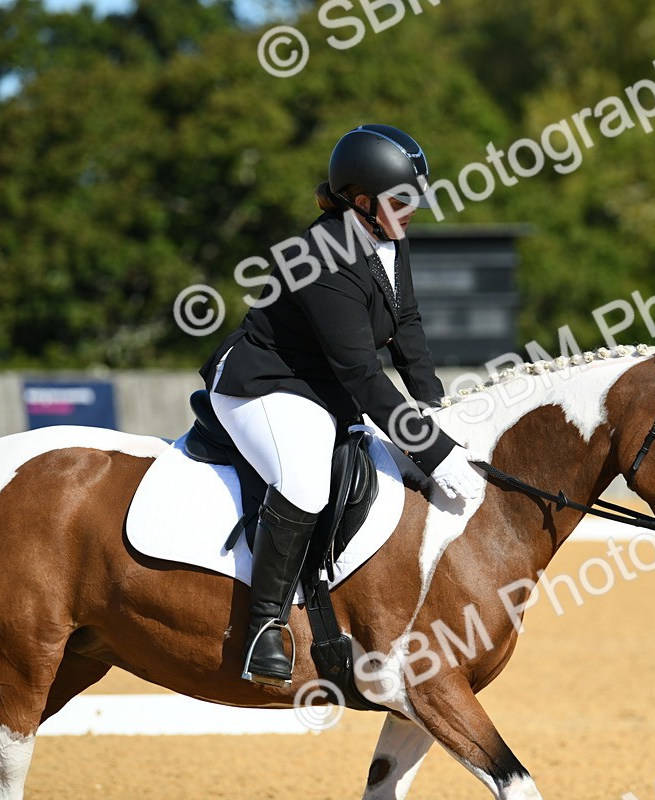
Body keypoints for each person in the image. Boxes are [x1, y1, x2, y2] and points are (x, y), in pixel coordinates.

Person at [199, 124, 484, 687]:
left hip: (324, 386)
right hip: (268, 383)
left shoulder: (389, 235)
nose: (412, 211)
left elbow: (406, 324)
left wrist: (434, 406)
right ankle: (264, 626)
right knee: (305, 483)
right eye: (400, 201)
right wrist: (435, 452)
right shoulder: (320, 256)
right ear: (360, 200)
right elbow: (361, 374)